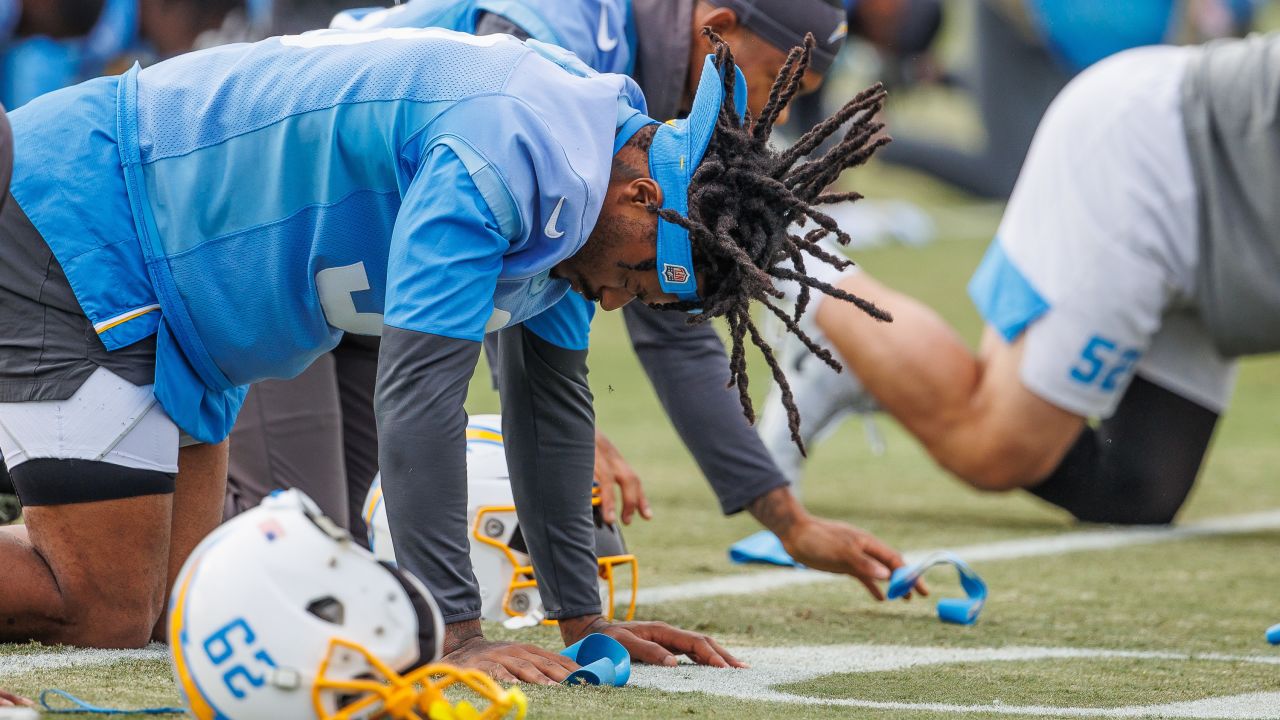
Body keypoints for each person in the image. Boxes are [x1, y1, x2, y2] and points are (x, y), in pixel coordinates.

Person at [0, 24, 898, 683]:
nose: (617, 298)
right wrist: (455, 630)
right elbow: (419, 396)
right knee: (104, 609)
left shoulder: (585, 186)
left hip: (186, 316)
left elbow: (550, 412)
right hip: (91, 220)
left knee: (178, 610)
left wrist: (581, 621)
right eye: (633, 277)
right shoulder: (511, 152)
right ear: (639, 196)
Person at [226, 0, 914, 603]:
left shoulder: (638, 131)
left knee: (360, 566)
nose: (782, 111)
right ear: (719, 28)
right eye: (776, 82)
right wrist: (550, 417)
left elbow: (663, 315)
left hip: (370, 263)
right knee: (292, 564)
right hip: (279, 217)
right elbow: (485, 219)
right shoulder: (556, 44)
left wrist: (785, 519)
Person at [771, 32, 1280, 525]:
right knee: (996, 446)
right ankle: (801, 262)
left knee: (1134, 490)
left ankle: (880, 364)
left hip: (1225, 215)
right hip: (1152, 156)